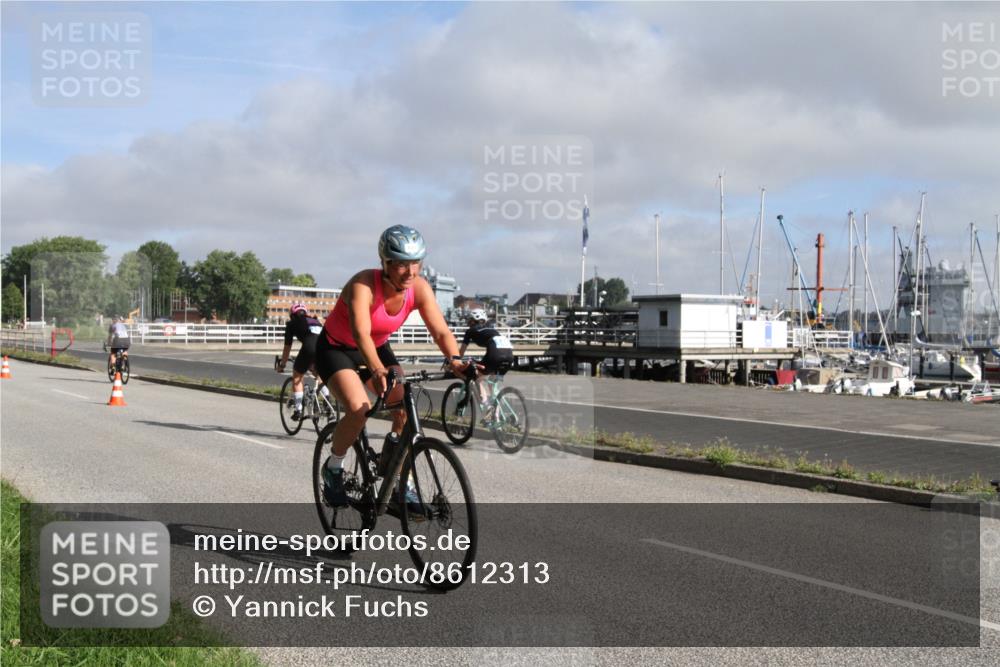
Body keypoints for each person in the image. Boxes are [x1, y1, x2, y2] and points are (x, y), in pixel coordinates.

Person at [315, 225, 467, 506]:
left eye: (416, 263)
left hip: (377, 347)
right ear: (384, 263)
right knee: (359, 409)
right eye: (400, 264)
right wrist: (376, 369)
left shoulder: (419, 288)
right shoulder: (362, 285)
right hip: (337, 348)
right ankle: (333, 467)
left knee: (404, 406)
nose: (410, 272)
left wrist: (454, 360)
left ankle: (396, 478)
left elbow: (441, 332)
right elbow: (360, 333)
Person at [276, 303, 330, 421]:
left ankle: (298, 409)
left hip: (309, 348)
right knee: (319, 374)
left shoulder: (291, 324)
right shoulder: (315, 321)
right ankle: (327, 401)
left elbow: (287, 347)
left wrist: (282, 364)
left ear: (293, 315)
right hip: (325, 349)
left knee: (297, 376)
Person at [457, 308, 514, 417]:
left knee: (476, 374)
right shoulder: (491, 329)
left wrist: (453, 361)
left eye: (469, 320)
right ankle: (496, 417)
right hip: (509, 355)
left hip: (495, 354)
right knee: (492, 384)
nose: (468, 323)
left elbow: (461, 353)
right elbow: (493, 346)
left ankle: (486, 404)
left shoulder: (470, 331)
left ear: (473, 321)